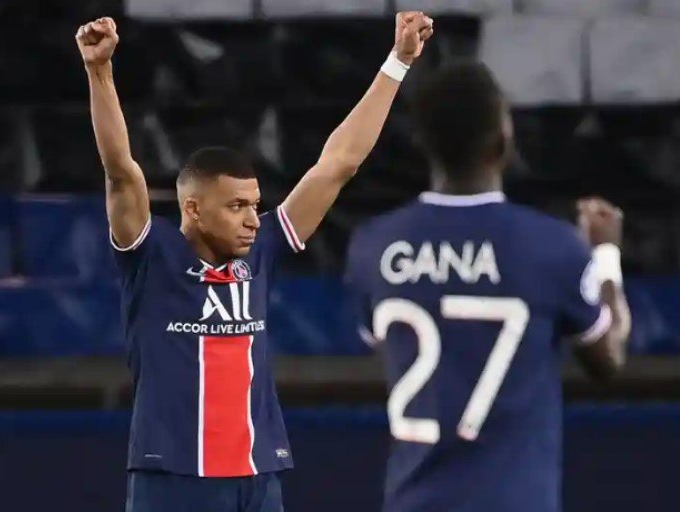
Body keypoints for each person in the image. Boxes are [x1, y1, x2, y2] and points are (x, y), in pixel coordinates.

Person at [74, 13, 433, 512]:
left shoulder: (263, 251)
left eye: (254, 204)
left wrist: (398, 62)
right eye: (236, 207)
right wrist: (100, 73)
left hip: (259, 475)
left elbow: (339, 164)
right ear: (193, 209)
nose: (252, 219)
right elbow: (120, 171)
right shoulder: (151, 256)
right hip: (173, 476)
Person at [345, 62, 631, 512]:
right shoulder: (552, 247)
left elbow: (392, 347)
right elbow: (609, 358)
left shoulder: (373, 248)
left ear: (422, 143)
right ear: (503, 141)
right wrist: (606, 256)